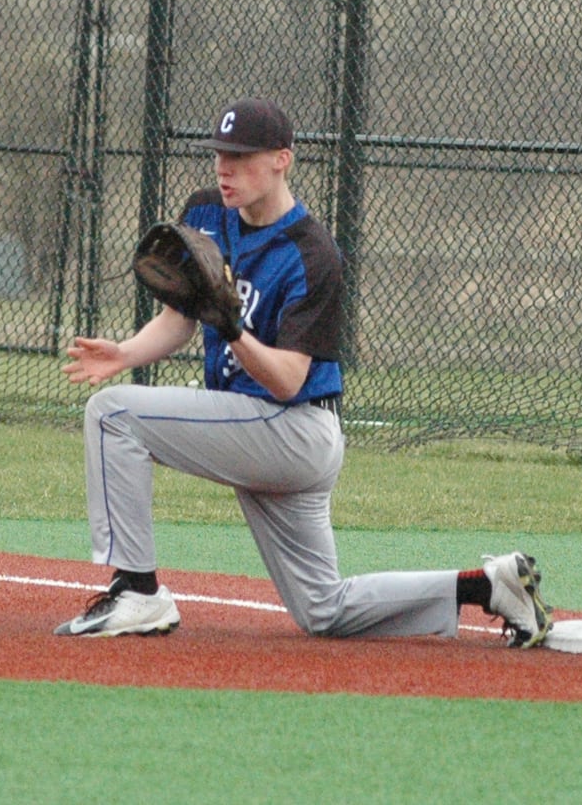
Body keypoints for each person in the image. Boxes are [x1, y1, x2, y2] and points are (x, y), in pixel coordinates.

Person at [56, 97, 553, 647]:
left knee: (114, 414)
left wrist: (234, 330)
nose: (225, 169)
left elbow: (288, 381)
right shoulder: (205, 213)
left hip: (292, 429)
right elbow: (181, 317)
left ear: (282, 160)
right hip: (252, 426)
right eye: (220, 155)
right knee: (323, 610)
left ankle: (137, 591)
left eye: (242, 157)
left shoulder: (312, 254)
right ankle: (490, 586)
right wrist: (126, 353)